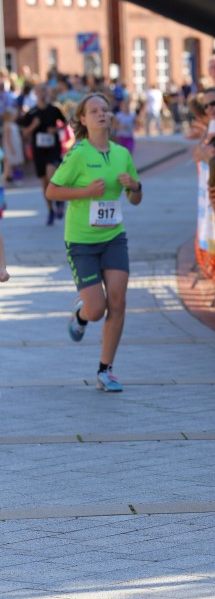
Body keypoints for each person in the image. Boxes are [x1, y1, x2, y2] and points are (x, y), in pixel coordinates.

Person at [45, 92, 143, 393]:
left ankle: (106, 370)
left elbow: (136, 199)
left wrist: (134, 186)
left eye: (105, 109)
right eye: (94, 111)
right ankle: (81, 313)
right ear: (83, 119)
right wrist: (85, 192)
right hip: (81, 242)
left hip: (114, 238)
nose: (102, 114)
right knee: (97, 309)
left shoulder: (121, 154)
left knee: (118, 302)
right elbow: (52, 191)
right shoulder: (77, 154)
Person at [20, 82, 65, 225]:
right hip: (38, 150)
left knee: (51, 174)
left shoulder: (54, 110)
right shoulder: (32, 112)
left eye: (44, 90)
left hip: (53, 149)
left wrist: (56, 130)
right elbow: (24, 133)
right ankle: (50, 210)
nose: (42, 93)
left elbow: (65, 124)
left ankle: (59, 201)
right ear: (36, 93)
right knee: (44, 183)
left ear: (47, 92)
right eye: (39, 91)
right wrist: (33, 126)